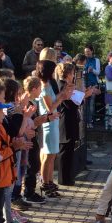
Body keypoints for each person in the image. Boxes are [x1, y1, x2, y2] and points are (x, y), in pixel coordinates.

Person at [37, 58, 68, 198]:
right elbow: (50, 107)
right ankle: (45, 183)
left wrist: (62, 94)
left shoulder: (49, 84)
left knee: (52, 154)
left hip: (53, 121)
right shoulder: (44, 87)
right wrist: (61, 98)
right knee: (48, 156)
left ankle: (50, 180)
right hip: (48, 123)